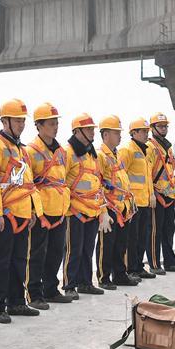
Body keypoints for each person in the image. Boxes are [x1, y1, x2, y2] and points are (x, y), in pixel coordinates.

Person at [0, 98, 44, 323]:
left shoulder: (21, 149)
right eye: (17, 120)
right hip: (6, 214)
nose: (21, 125)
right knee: (1, 260)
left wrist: (31, 211)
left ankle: (17, 302)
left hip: (22, 213)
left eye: (23, 120)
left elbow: (26, 184)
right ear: (5, 121)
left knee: (20, 259)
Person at [27, 102, 74, 308]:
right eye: (51, 123)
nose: (55, 127)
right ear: (39, 125)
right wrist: (31, 210)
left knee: (56, 252)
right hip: (41, 212)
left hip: (59, 210)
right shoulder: (30, 151)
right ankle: (34, 294)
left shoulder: (62, 152)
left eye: (56, 123)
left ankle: (51, 289)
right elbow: (27, 184)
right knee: (37, 254)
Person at [62, 113, 109, 299]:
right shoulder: (68, 152)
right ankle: (69, 285)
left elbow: (98, 181)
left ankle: (85, 283)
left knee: (87, 249)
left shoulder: (92, 155)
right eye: (89, 129)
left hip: (91, 209)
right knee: (73, 250)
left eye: (93, 129)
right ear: (77, 131)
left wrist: (102, 208)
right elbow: (61, 180)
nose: (92, 132)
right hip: (74, 211)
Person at [96, 116, 138, 289]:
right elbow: (97, 182)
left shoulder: (116, 155)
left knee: (121, 243)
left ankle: (119, 274)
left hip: (122, 207)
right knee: (107, 244)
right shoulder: (100, 155)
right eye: (116, 133)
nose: (120, 136)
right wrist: (102, 210)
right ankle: (103, 278)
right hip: (110, 205)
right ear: (106, 135)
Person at [148, 113, 175, 272]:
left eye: (165, 126)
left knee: (168, 231)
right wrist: (151, 194)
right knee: (155, 232)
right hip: (157, 195)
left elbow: (171, 173)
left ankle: (170, 262)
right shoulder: (150, 147)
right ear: (153, 128)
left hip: (169, 195)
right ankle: (155, 264)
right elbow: (147, 173)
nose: (164, 129)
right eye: (160, 126)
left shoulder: (169, 147)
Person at [120, 118, 158, 279]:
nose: (146, 134)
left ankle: (139, 266)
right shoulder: (127, 150)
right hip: (133, 202)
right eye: (143, 131)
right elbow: (121, 175)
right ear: (133, 133)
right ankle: (131, 268)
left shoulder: (148, 150)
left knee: (142, 236)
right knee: (132, 237)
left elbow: (148, 176)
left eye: (147, 131)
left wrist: (152, 195)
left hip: (145, 201)